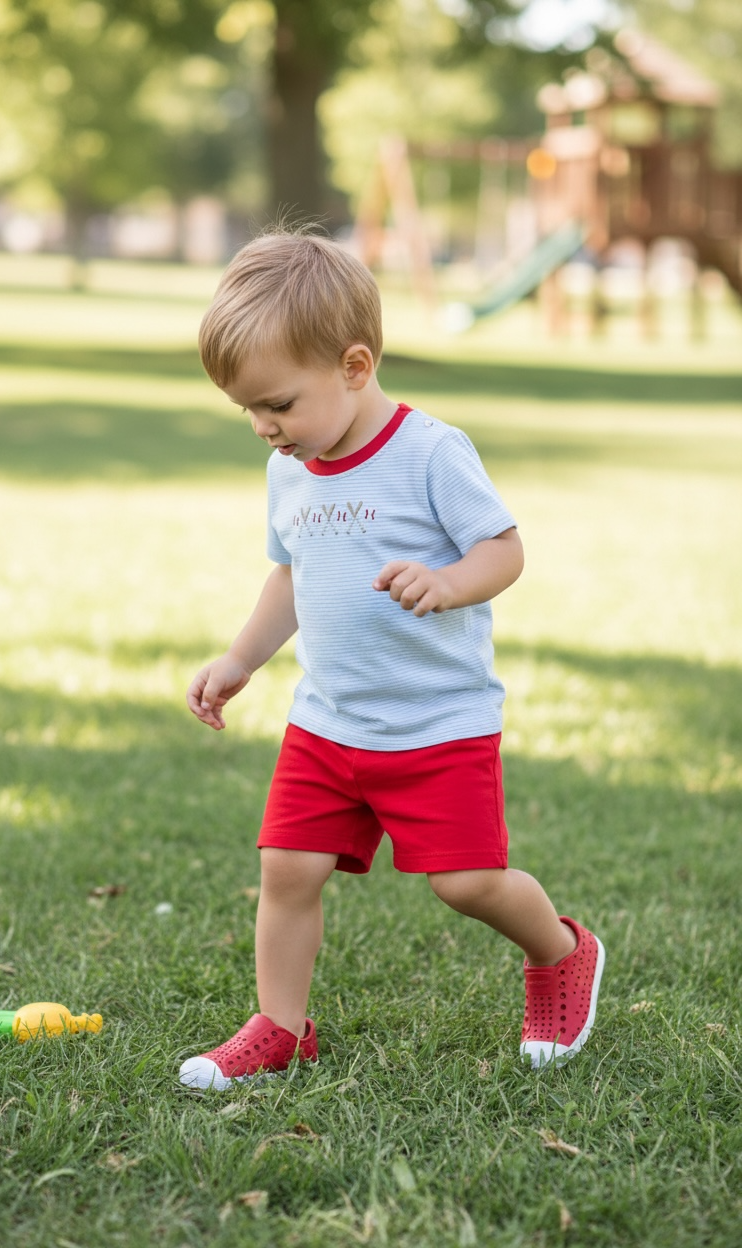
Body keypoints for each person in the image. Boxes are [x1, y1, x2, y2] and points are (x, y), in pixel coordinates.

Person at [180, 230, 604, 1091]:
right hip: (328, 720)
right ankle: (280, 1027)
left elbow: (504, 550)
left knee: (467, 885)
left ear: (355, 366)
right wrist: (241, 659)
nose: (263, 428)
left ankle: (561, 951)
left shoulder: (431, 452)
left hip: (436, 722)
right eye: (248, 411)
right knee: (286, 869)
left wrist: (449, 582)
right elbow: (291, 575)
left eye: (278, 404)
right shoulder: (292, 469)